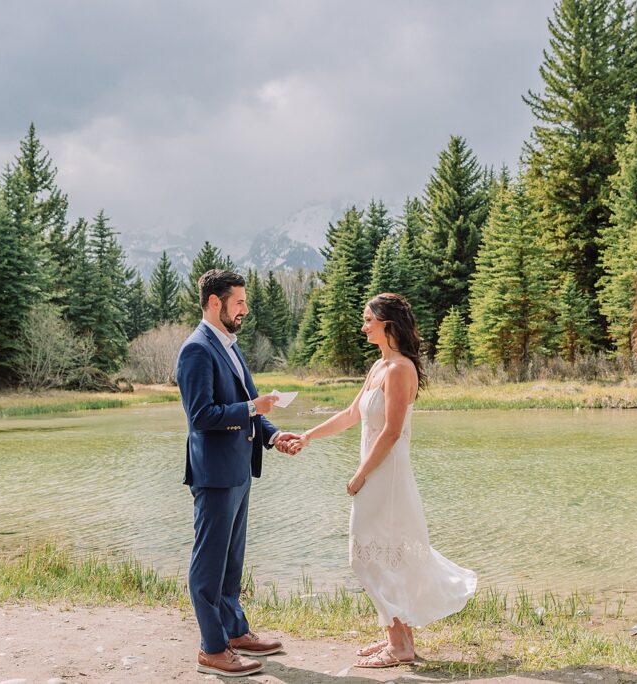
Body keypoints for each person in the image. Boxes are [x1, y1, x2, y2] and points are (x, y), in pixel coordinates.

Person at [292, 292, 477, 668]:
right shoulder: (379, 367)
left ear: (387, 323)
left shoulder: (400, 370)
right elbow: (349, 414)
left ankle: (398, 644)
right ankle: (401, 639)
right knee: (384, 552)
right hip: (377, 472)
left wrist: (360, 474)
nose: (363, 327)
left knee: (368, 555)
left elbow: (391, 432)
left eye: (368, 320)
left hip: (386, 474)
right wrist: (307, 436)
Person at [176, 269, 302, 677]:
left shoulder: (229, 345)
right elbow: (201, 417)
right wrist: (253, 409)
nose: (245, 310)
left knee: (231, 563)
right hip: (213, 476)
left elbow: (249, 405)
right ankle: (211, 649)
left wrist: (274, 434)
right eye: (239, 302)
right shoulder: (196, 349)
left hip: (238, 473)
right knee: (207, 566)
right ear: (216, 303)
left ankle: (234, 632)